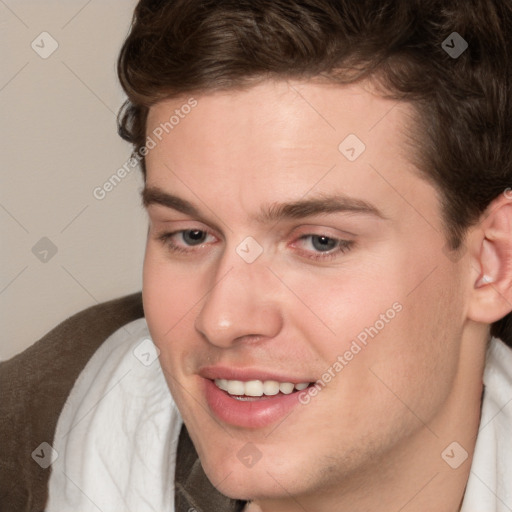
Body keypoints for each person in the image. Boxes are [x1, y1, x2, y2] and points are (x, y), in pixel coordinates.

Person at [1, 0, 511, 511]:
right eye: (192, 236)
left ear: (492, 263)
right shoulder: (30, 429)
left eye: (320, 242)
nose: (221, 320)